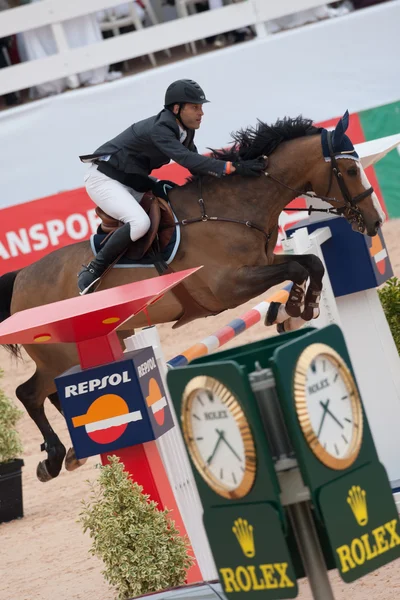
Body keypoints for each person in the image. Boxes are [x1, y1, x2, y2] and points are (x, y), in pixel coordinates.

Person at [77, 78, 265, 295]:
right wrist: (233, 167)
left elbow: (197, 167)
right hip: (104, 179)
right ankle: (92, 270)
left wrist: (236, 177)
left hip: (132, 180)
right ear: (176, 108)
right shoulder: (162, 128)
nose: (201, 112)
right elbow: (188, 160)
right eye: (195, 107)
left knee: (174, 196)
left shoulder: (185, 130)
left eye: (201, 107)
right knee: (139, 223)